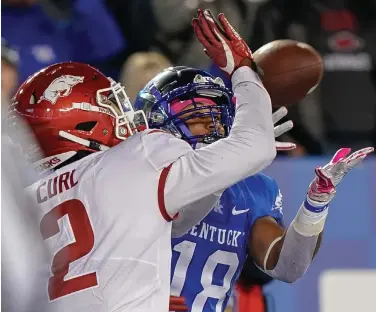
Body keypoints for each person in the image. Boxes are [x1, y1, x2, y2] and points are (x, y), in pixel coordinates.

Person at [10, 9, 278, 311]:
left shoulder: (22, 201)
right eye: (109, 104)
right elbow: (258, 146)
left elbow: (181, 217)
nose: (122, 114)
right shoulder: (140, 155)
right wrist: (244, 70)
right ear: (81, 123)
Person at [136, 9, 374, 312]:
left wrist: (315, 205)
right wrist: (236, 157)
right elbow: (179, 219)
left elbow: (287, 267)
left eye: (215, 116)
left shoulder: (254, 188)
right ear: (155, 123)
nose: (211, 126)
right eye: (195, 117)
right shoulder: (139, 176)